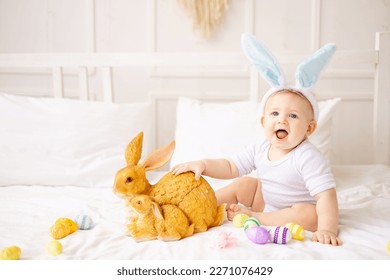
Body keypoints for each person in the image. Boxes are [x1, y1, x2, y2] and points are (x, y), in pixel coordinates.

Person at [171, 88, 342, 246]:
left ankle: (255, 217)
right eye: (275, 113)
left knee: (311, 215)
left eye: (293, 116)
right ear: (263, 121)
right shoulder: (261, 147)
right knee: (244, 183)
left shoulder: (308, 156)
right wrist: (203, 164)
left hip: (294, 210)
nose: (281, 119)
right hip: (266, 201)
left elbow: (326, 196)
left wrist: (327, 230)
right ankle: (201, 206)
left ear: (309, 128)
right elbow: (231, 166)